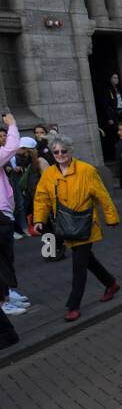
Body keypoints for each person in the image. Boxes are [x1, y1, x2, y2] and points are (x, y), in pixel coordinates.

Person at [33, 135, 120, 321]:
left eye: (64, 151)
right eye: (56, 152)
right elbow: (41, 198)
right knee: (88, 261)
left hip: (85, 224)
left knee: (78, 266)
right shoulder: (49, 174)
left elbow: (102, 196)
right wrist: (38, 220)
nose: (60, 155)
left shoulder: (86, 170)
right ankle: (111, 283)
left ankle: (73, 305)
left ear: (71, 151)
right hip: (65, 226)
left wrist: (111, 217)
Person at [0, 114, 28, 319]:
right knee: (2, 260)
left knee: (6, 258)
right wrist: (12, 125)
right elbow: (11, 148)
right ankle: (4, 300)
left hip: (3, 212)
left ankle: (8, 292)